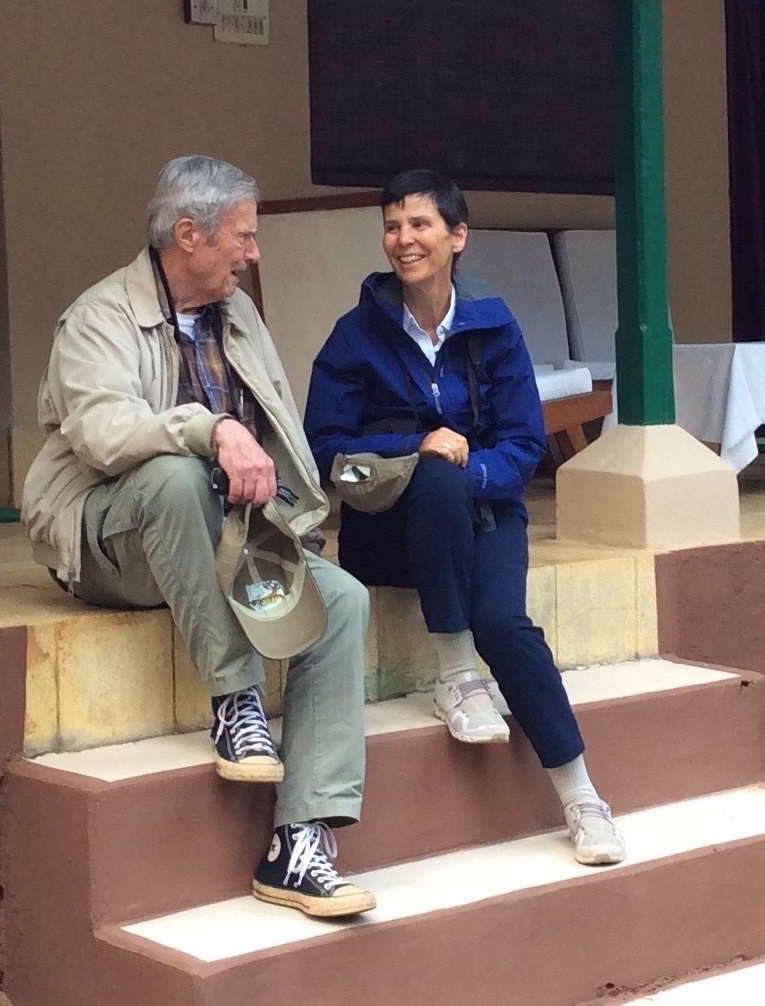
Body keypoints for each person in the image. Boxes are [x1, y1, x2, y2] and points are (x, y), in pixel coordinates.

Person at [22, 155, 375, 916]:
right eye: (243, 236)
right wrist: (209, 429)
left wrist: (298, 527)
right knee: (176, 480)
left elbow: (277, 434)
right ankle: (235, 702)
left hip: (223, 536)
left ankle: (300, 841)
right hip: (109, 541)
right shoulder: (100, 317)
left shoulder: (238, 315)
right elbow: (105, 437)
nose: (254, 253)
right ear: (190, 234)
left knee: (343, 601)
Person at [303, 169, 625, 865]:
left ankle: (582, 797)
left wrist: (468, 472)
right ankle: (455, 673)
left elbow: (525, 443)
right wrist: (413, 449)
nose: (403, 239)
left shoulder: (494, 327)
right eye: (392, 226)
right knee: (432, 472)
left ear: (457, 236)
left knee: (505, 623)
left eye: (420, 224)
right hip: (387, 529)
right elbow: (326, 453)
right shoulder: (355, 335)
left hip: (484, 514)